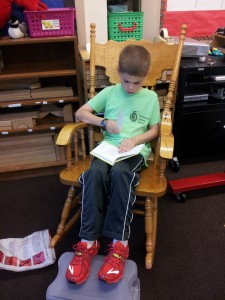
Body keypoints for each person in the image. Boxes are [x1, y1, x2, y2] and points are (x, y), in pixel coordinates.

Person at [66, 44, 160, 285]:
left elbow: (155, 130)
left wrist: (135, 139)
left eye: (137, 83)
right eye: (127, 81)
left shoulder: (149, 98)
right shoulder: (109, 92)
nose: (130, 87)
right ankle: (88, 242)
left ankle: (119, 244)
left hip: (134, 152)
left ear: (146, 77)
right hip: (108, 150)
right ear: (118, 72)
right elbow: (81, 113)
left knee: (120, 174)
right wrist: (104, 123)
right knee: (94, 174)